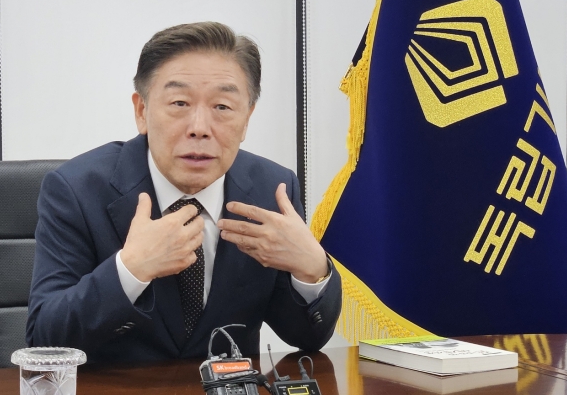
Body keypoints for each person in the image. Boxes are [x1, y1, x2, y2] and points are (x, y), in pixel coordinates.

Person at [26, 22, 342, 363]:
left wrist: (312, 270)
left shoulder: (272, 190)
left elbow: (306, 337)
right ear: (142, 111)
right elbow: (44, 341)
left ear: (247, 117)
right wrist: (131, 270)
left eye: (222, 107)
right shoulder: (76, 189)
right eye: (179, 103)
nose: (199, 129)